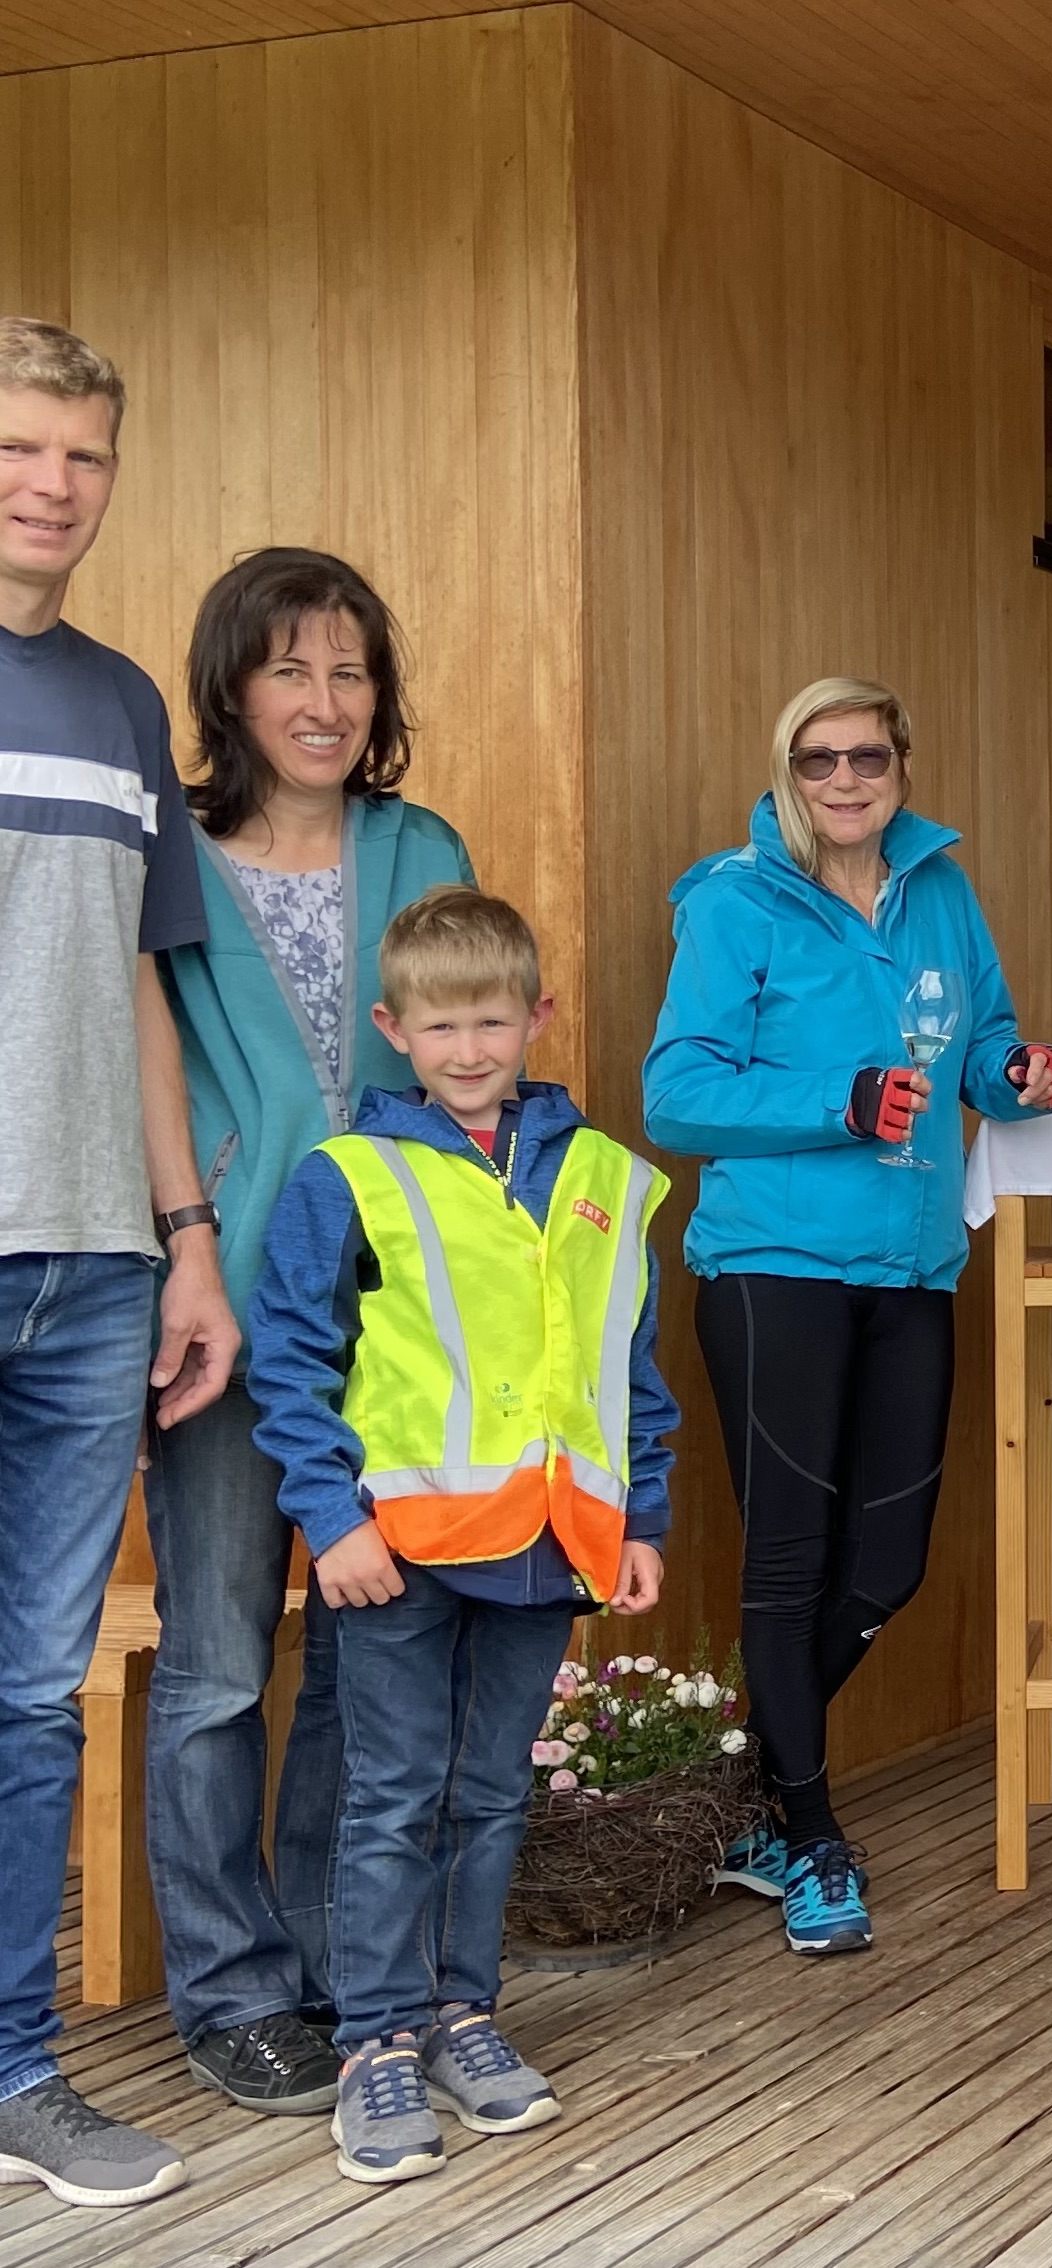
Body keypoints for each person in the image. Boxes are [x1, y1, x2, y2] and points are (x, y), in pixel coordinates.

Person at [246, 885, 674, 2184]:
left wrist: (640, 1516)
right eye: (442, 1028)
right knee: (390, 1800)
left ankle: (461, 2015)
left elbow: (625, 1364)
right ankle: (373, 2042)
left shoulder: (604, 1177)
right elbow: (290, 1359)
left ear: (538, 1016)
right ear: (393, 1029)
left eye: (494, 1020)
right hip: (399, 1553)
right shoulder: (352, 1176)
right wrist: (330, 1522)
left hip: (549, 1549)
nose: (472, 1049)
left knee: (492, 1795)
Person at [646, 675, 1052, 1956]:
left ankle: (731, 1778)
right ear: (788, 770)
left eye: (866, 757)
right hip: (773, 1265)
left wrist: (1016, 1074)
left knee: (887, 1565)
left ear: (899, 764)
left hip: (914, 1264)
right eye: (817, 760)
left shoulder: (938, 887)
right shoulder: (734, 900)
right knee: (790, 1557)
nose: (843, 780)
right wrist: (839, 1099)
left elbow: (979, 1040)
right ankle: (812, 1837)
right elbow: (674, 1097)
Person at [149, 547, 475, 2121]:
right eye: (290, 671)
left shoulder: (422, 845)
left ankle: (350, 1967)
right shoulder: (174, 848)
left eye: (349, 671)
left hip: (393, 1310)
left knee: (366, 1654)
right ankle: (227, 1985)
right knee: (217, 1657)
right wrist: (179, 1243)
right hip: (220, 1302)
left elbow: (460, 1060)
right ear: (234, 687)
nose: (324, 701)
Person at [0, 315, 233, 2211]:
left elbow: (150, 995)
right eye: (19, 446)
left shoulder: (122, 702)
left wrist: (187, 1241)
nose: (49, 484)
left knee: (27, 1693)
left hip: (90, 1266)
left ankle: (15, 2064)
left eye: (82, 455)